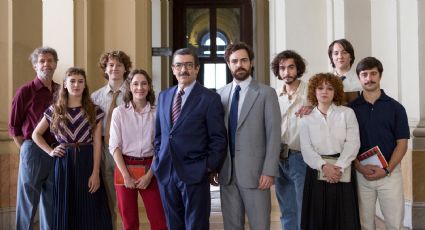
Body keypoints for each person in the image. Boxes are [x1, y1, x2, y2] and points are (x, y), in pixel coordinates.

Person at [152, 48, 227, 229]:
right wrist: (159, 157)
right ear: (172, 69)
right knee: (173, 224)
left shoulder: (209, 98)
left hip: (195, 173)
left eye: (188, 65)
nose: (183, 70)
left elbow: (218, 138)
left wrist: (208, 167)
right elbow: (160, 135)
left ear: (197, 68)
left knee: (197, 225)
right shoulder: (164, 96)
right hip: (166, 172)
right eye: (178, 65)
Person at [32, 67, 112, 229]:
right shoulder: (55, 110)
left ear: (85, 85)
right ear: (65, 85)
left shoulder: (94, 110)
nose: (76, 85)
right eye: (72, 81)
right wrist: (51, 151)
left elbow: (97, 143)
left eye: (80, 81)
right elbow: (36, 135)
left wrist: (96, 172)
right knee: (66, 206)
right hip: (63, 163)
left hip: (87, 161)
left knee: (90, 207)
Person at [217, 42, 281, 229]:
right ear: (229, 64)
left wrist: (269, 170)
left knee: (260, 225)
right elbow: (217, 135)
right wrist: (215, 167)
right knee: (231, 225)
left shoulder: (266, 93)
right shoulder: (220, 95)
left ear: (251, 63)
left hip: (257, 174)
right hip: (227, 172)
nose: (239, 65)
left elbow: (274, 134)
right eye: (234, 61)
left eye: (244, 60)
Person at [350, 57, 410, 230]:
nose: (369, 78)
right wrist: (359, 167)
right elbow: (346, 143)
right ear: (359, 78)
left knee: (394, 223)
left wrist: (387, 169)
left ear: (380, 75)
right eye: (364, 74)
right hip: (361, 173)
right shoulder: (351, 109)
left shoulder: (396, 108)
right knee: (364, 224)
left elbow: (402, 144)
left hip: (390, 174)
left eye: (373, 73)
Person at [299, 73, 361, 230]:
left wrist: (338, 167)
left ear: (336, 92)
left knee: (344, 219)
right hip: (316, 171)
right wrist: (324, 167)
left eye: (329, 88)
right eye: (320, 88)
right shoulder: (306, 118)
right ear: (314, 91)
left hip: (343, 169)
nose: (324, 91)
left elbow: (353, 143)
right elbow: (306, 148)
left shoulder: (347, 113)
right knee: (317, 218)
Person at [109, 69, 167, 230]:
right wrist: (126, 175)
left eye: (143, 83)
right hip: (124, 165)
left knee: (159, 219)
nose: (139, 87)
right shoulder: (119, 113)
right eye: (135, 83)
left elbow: (160, 146)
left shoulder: (158, 113)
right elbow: (114, 146)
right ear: (129, 87)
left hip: (151, 166)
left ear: (149, 87)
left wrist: (149, 175)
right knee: (129, 220)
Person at [8, 47, 59, 229]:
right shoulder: (25, 92)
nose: (46, 64)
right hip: (33, 150)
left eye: (50, 60)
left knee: (52, 202)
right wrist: (26, 149)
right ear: (35, 66)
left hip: (56, 150)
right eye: (42, 61)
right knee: (28, 202)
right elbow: (14, 127)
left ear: (55, 64)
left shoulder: (61, 91)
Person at [91, 50, 132, 228]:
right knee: (108, 201)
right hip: (103, 151)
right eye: (111, 65)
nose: (114, 68)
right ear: (105, 69)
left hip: (126, 151)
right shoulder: (95, 97)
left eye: (119, 65)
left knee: (126, 201)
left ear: (125, 69)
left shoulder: (133, 92)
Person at [271, 50, 309, 230]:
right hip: (278, 157)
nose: (286, 72)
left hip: (301, 157)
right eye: (282, 68)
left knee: (304, 207)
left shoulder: (311, 93)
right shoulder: (273, 96)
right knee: (286, 208)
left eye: (291, 67)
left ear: (298, 69)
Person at [328, 39, 362, 103]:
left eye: (344, 53)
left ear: (351, 56)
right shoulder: (325, 80)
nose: (340, 56)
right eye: (336, 53)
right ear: (331, 57)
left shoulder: (361, 80)